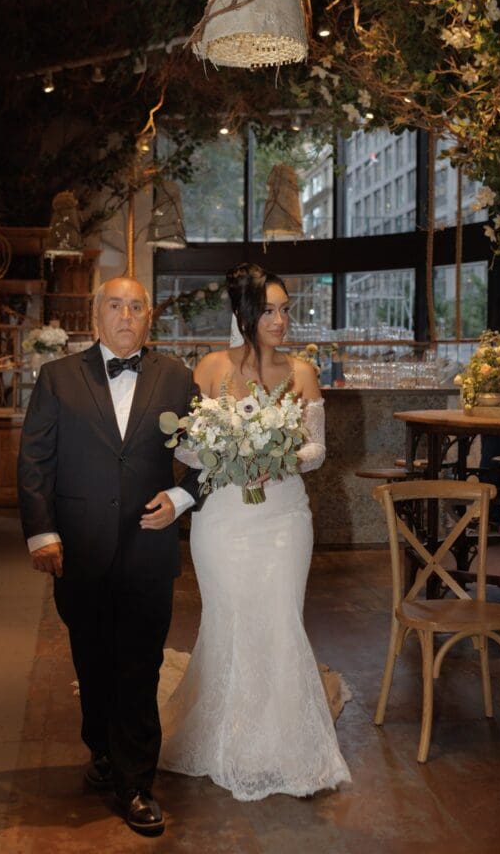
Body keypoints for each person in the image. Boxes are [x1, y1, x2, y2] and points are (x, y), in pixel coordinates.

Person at [17, 276, 203, 837]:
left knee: (140, 665)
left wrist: (180, 496)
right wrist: (41, 534)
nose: (126, 315)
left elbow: (209, 451)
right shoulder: (57, 378)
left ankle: (137, 782)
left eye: (136, 307)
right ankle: (100, 750)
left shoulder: (177, 378)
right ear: (96, 316)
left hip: (149, 547)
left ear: (150, 318)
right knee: (92, 661)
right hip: (80, 549)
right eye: (115, 306)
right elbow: (34, 462)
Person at [159, 263, 351, 800]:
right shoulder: (211, 367)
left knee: (280, 618)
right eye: (269, 309)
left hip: (285, 518)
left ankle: (283, 744)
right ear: (244, 313)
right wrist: (223, 449)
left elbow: (316, 450)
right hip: (222, 519)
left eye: (285, 309)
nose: (281, 319)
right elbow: (185, 446)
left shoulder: (303, 372)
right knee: (229, 619)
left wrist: (281, 456)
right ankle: (224, 738)